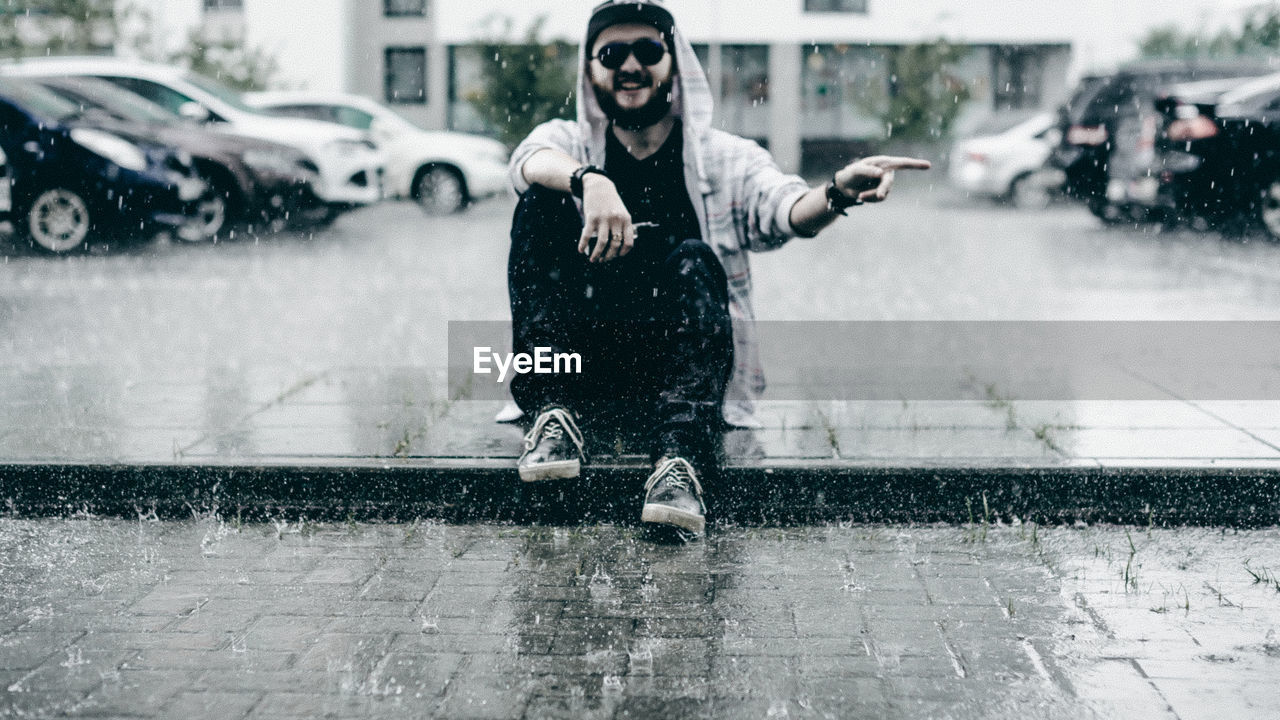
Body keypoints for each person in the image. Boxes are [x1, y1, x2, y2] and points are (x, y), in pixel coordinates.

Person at [506, 0, 929, 537]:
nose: (630, 65)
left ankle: (679, 465)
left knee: (695, 257)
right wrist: (589, 179)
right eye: (611, 53)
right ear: (591, 71)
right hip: (583, 372)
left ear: (673, 64)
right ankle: (553, 417)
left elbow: (783, 210)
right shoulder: (569, 144)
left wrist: (836, 194)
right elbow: (525, 162)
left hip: (678, 379)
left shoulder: (725, 157)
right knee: (539, 202)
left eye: (647, 50)